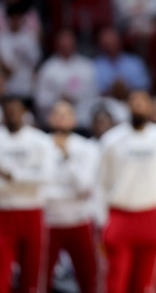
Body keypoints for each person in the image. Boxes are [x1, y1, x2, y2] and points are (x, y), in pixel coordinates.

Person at [99, 90, 156, 293]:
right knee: (116, 280)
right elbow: (100, 183)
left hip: (151, 214)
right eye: (134, 102)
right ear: (127, 106)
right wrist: (101, 219)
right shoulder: (111, 140)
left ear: (150, 106)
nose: (139, 106)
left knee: (145, 282)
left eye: (143, 102)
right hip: (120, 215)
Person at [0, 96, 56, 292]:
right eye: (8, 110)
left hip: (32, 210)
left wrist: (11, 175)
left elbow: (46, 176)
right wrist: (28, 177)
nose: (12, 114)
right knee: (2, 271)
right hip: (4, 211)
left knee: (32, 270)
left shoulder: (40, 140)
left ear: (25, 113)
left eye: (16, 110)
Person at [44, 100, 100, 293]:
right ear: (50, 118)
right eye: (57, 114)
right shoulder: (41, 145)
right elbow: (40, 187)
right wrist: (68, 193)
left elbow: (85, 186)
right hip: (49, 220)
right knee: (42, 278)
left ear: (74, 119)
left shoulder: (87, 147)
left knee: (89, 278)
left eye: (65, 114)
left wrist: (66, 156)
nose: (61, 118)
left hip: (79, 219)